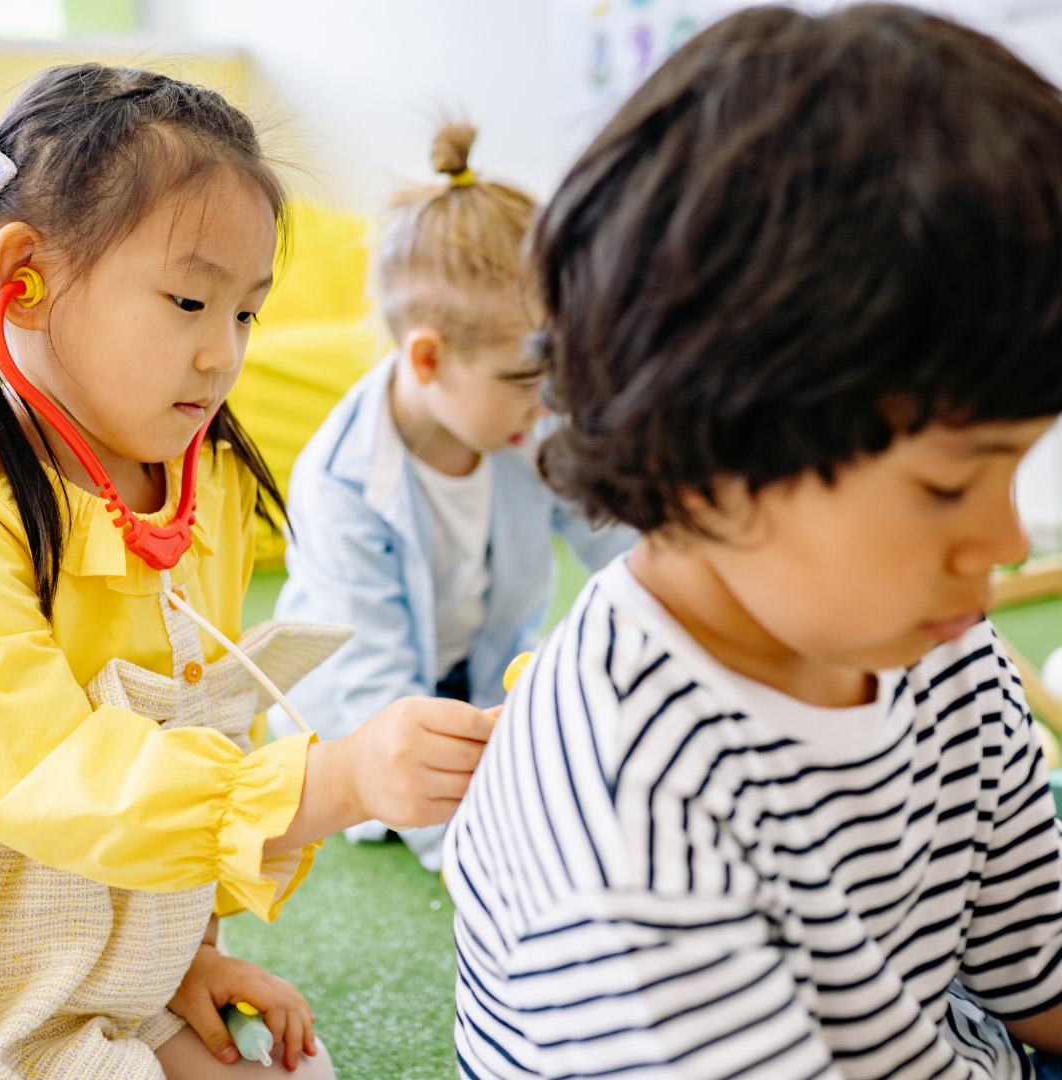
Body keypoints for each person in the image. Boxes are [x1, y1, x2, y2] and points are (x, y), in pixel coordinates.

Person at [443, 7, 1062, 1078]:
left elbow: (1036, 965)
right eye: (952, 484)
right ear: (706, 446)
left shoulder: (936, 645)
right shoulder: (631, 810)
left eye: (1019, 467)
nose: (1003, 541)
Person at [0, 65, 494, 1080]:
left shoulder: (202, 471)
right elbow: (50, 773)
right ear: (24, 278)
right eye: (188, 301)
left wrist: (186, 961)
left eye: (248, 313)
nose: (224, 354)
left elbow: (201, 715)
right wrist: (336, 781)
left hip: (93, 950)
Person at [275, 123, 634, 871]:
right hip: (359, 715)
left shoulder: (525, 425)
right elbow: (377, 693)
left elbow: (620, 532)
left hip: (471, 674)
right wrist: (464, 840)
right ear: (429, 359)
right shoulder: (341, 483)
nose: (548, 406)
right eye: (524, 381)